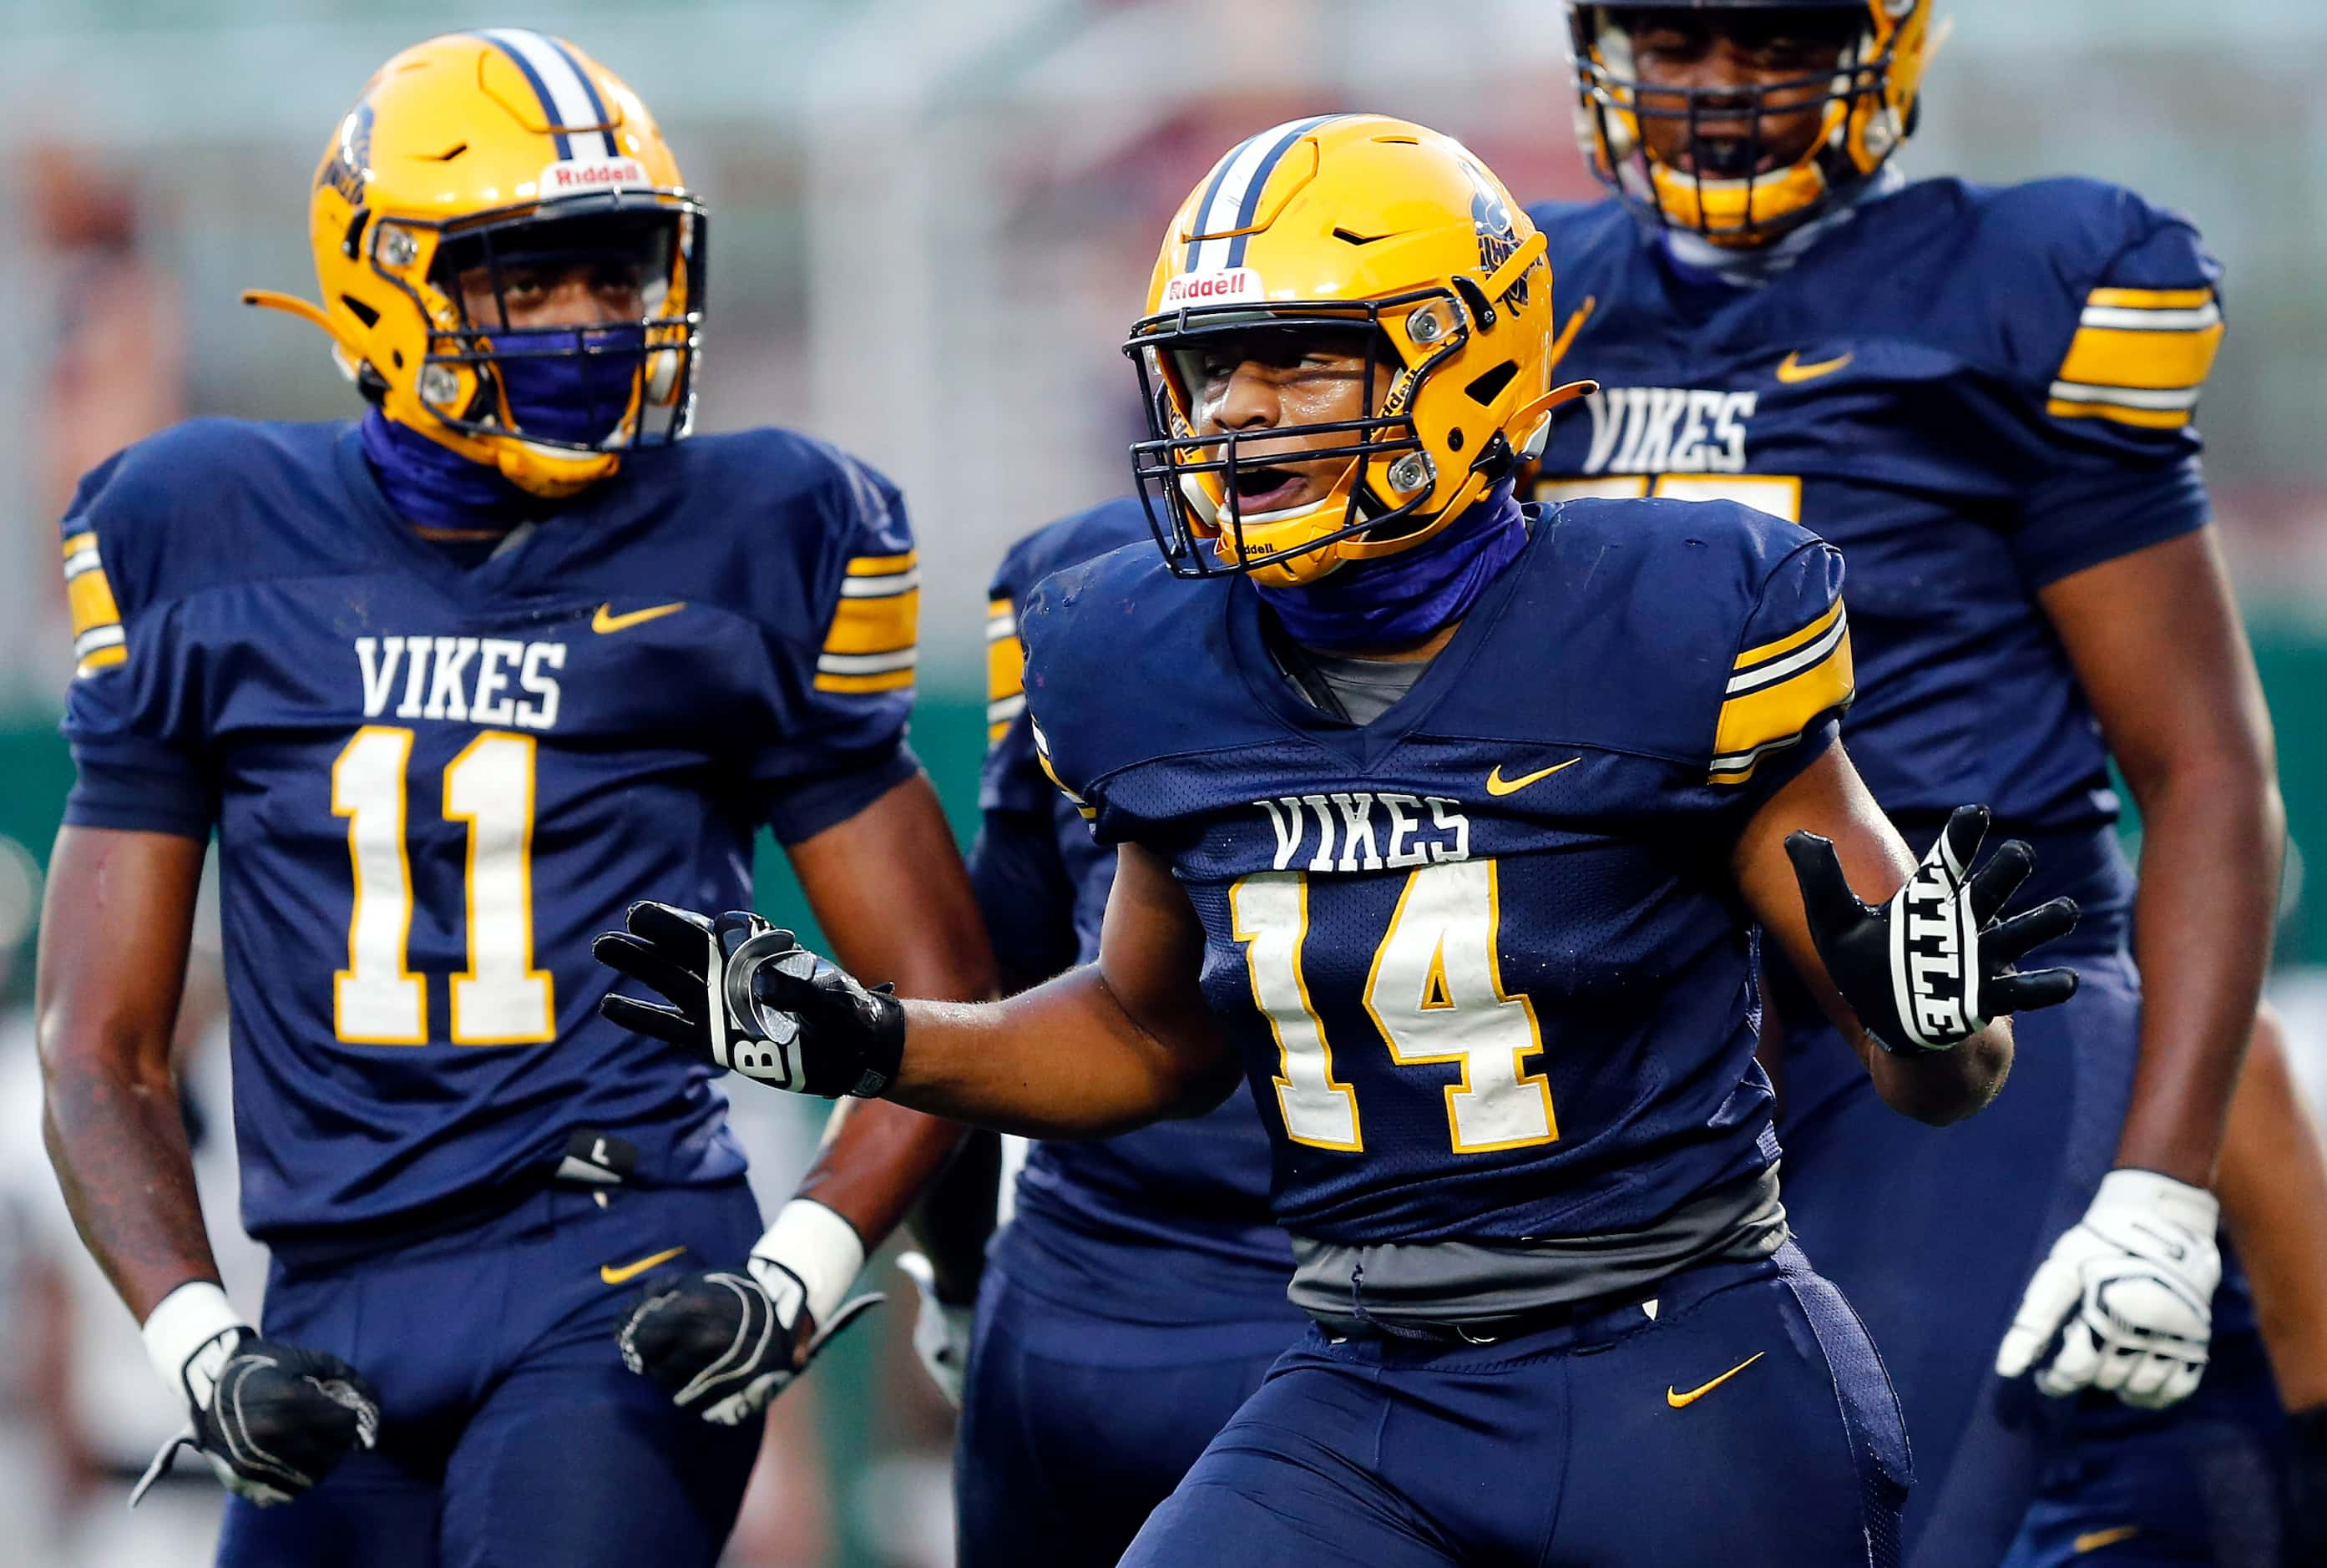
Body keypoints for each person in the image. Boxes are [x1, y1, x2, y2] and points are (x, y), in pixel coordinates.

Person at [597, 114, 2085, 1565]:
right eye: (1205, 366)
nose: (1234, 409)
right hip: (1368, 1370)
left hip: (1679, 1369)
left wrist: (1928, 1020)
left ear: (1469, 356)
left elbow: (1936, 1072)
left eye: (1298, 354)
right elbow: (1146, 1033)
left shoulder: (1674, 612)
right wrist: (877, 1037)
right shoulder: (1136, 654)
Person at [33, 29, 990, 1567]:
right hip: (324, 1298)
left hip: (616, 1261)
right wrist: (200, 1342)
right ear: (380, 282)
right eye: (525, 281)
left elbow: (936, 992)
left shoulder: (753, 528)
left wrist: (796, 1269)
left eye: (615, 277)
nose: (588, 324)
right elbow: (99, 1039)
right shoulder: (195, 530)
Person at [1533, 3, 2304, 1561]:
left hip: (1973, 1018)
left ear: (1880, 50)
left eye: (1769, 47)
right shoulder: (1527, 301)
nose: (1716, 94)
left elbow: (2207, 766)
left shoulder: (2021, 289)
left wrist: (2158, 1180)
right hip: (1655, 1047)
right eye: (1673, 43)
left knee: (1864, 1525)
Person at [929, 495, 1303, 1565]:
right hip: (1375, 1334)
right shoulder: (1564, 606)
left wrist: (959, 1287)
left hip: (1074, 1309)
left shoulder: (1086, 585)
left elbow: (981, 986)